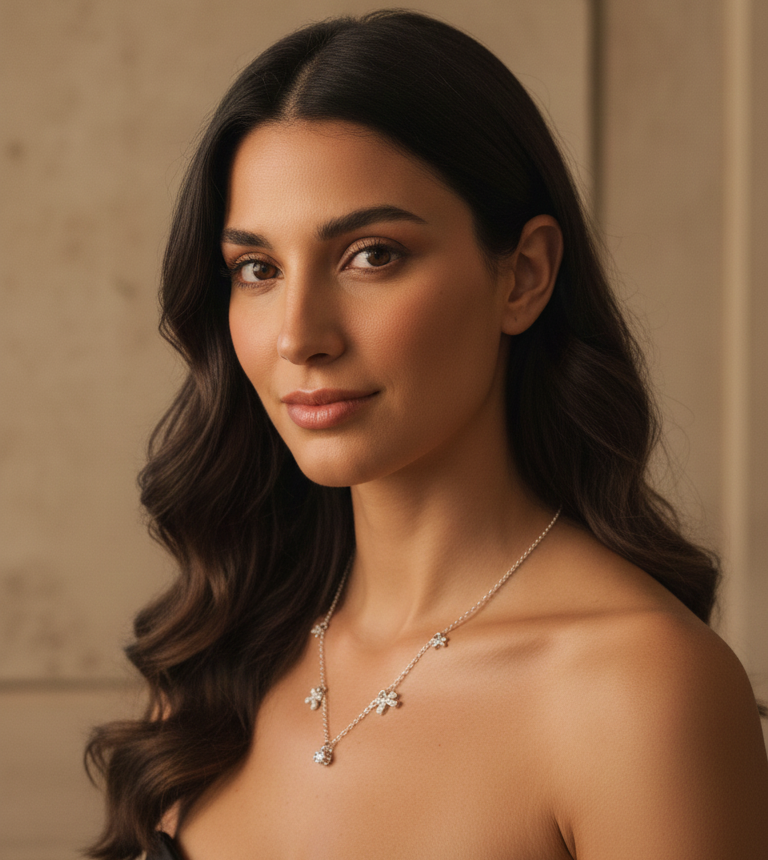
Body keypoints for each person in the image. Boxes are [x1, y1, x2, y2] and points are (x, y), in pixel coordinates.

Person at [85, 9, 768, 860]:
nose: (300, 335)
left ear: (523, 276)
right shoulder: (221, 655)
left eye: (370, 255)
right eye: (257, 269)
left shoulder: (640, 691)